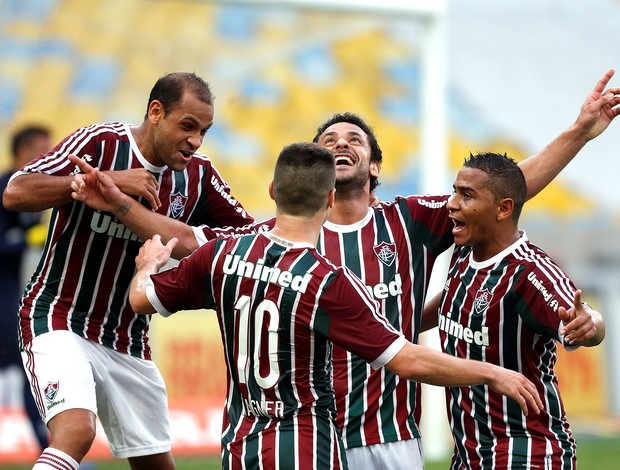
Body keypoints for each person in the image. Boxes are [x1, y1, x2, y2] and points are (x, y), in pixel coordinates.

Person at [68, 69, 620, 469]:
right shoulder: (289, 250)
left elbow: (503, 189)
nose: (340, 144)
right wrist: (119, 205)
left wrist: (577, 133)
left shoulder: (410, 221)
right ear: (316, 174)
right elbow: (190, 240)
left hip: (386, 437)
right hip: (317, 437)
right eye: (327, 140)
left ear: (374, 166)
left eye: (354, 139)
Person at [126, 142, 543, 469]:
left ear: (273, 192)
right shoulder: (326, 281)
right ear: (329, 200)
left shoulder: (222, 254)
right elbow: (407, 361)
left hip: (241, 443)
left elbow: (141, 299)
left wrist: (146, 267)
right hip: (310, 444)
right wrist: (491, 373)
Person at [1, 72, 253, 470]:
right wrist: (105, 181)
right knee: (77, 432)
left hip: (127, 339)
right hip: (59, 318)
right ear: (156, 112)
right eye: (187, 126)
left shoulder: (200, 176)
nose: (196, 141)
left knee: (156, 465)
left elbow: (247, 237)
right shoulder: (101, 143)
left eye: (204, 130)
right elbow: (16, 191)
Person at [435, 151, 605, 469]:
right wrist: (398, 321)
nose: (452, 203)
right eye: (454, 191)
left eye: (466, 195)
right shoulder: (463, 254)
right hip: (471, 454)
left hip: (525, 452)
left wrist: (591, 322)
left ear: (503, 208)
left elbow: (582, 317)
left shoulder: (530, 272)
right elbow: (449, 300)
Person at [0, 125, 52, 452]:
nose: (48, 158)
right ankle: (50, 448)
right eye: (42, 150)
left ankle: (49, 448)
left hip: (11, 293)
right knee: (27, 365)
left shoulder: (29, 189)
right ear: (23, 152)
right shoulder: (6, 187)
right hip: (3, 294)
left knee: (27, 366)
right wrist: (31, 239)